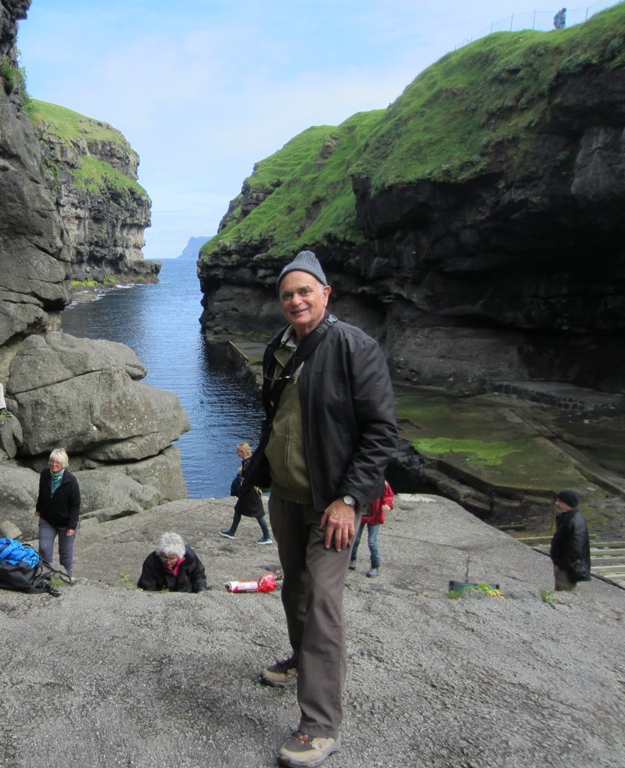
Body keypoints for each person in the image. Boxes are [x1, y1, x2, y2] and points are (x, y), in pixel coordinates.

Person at [257, 250, 398, 768]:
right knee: (294, 588)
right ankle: (302, 660)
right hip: (287, 495)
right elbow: (279, 419)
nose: (295, 300)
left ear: (325, 294)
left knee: (322, 601)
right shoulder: (279, 347)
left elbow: (382, 433)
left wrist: (350, 499)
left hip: (332, 504)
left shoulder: (353, 347)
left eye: (304, 291)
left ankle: (319, 725)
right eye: (287, 294)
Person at [35, 448, 80, 583]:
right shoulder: (44, 475)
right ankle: (46, 574)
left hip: (66, 523)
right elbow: (42, 493)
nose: (54, 464)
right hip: (47, 519)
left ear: (64, 464)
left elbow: (75, 505)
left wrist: (72, 526)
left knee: (65, 552)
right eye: (52, 461)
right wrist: (38, 509)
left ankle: (67, 575)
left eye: (58, 462)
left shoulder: (71, 481)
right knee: (44, 547)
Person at [221, 442, 273, 544]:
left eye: (238, 451)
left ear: (241, 451)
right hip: (248, 493)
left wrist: (241, 477)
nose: (237, 453)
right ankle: (232, 531)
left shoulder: (248, 463)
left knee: (258, 514)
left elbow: (249, 479)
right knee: (238, 509)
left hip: (251, 493)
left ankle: (267, 536)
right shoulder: (250, 461)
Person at [348, 480, 395, 578]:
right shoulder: (361, 479)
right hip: (361, 514)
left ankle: (375, 566)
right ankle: (352, 559)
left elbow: (388, 496)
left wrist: (387, 505)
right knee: (355, 539)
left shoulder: (383, 483)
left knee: (372, 542)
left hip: (375, 516)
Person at [549, 489, 591, 591]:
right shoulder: (569, 518)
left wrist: (563, 563)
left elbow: (576, 547)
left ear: (565, 503)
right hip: (564, 564)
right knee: (561, 589)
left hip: (567, 567)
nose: (556, 503)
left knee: (564, 591)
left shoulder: (574, 521)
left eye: (559, 501)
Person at [138, 532, 208, 592]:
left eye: (172, 559)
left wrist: (200, 592)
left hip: (186, 593)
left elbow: (199, 575)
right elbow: (147, 585)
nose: (168, 562)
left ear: (179, 555)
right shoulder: (151, 562)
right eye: (164, 558)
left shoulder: (189, 557)